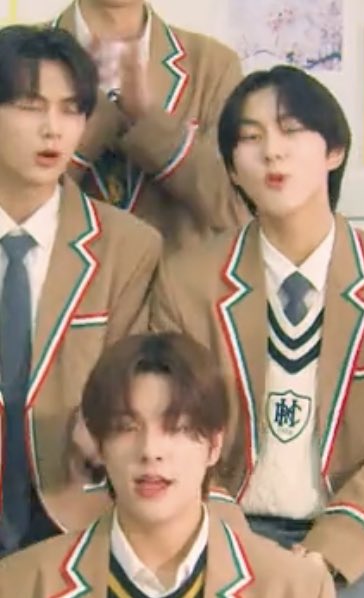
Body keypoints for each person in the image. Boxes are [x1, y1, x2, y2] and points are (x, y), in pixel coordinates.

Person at [151, 65, 364, 597]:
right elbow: (173, 429)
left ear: (334, 151)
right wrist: (244, 552)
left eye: (291, 131)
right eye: (250, 138)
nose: (272, 151)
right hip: (221, 525)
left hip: (351, 532)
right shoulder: (187, 281)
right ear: (232, 170)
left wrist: (326, 554)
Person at [0, 333, 335, 597]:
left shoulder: (295, 588)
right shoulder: (21, 584)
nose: (151, 451)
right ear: (100, 444)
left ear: (214, 445)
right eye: (127, 427)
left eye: (177, 428)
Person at [0, 24, 161, 556]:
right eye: (30, 106)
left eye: (71, 110)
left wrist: (102, 422)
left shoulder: (126, 247)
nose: (53, 129)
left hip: (73, 511)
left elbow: (132, 379)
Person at [50, 0, 248, 249]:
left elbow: (238, 209)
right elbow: (10, 204)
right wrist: (91, 127)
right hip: (57, 271)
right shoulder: (17, 60)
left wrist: (151, 125)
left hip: (175, 271)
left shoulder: (212, 66)